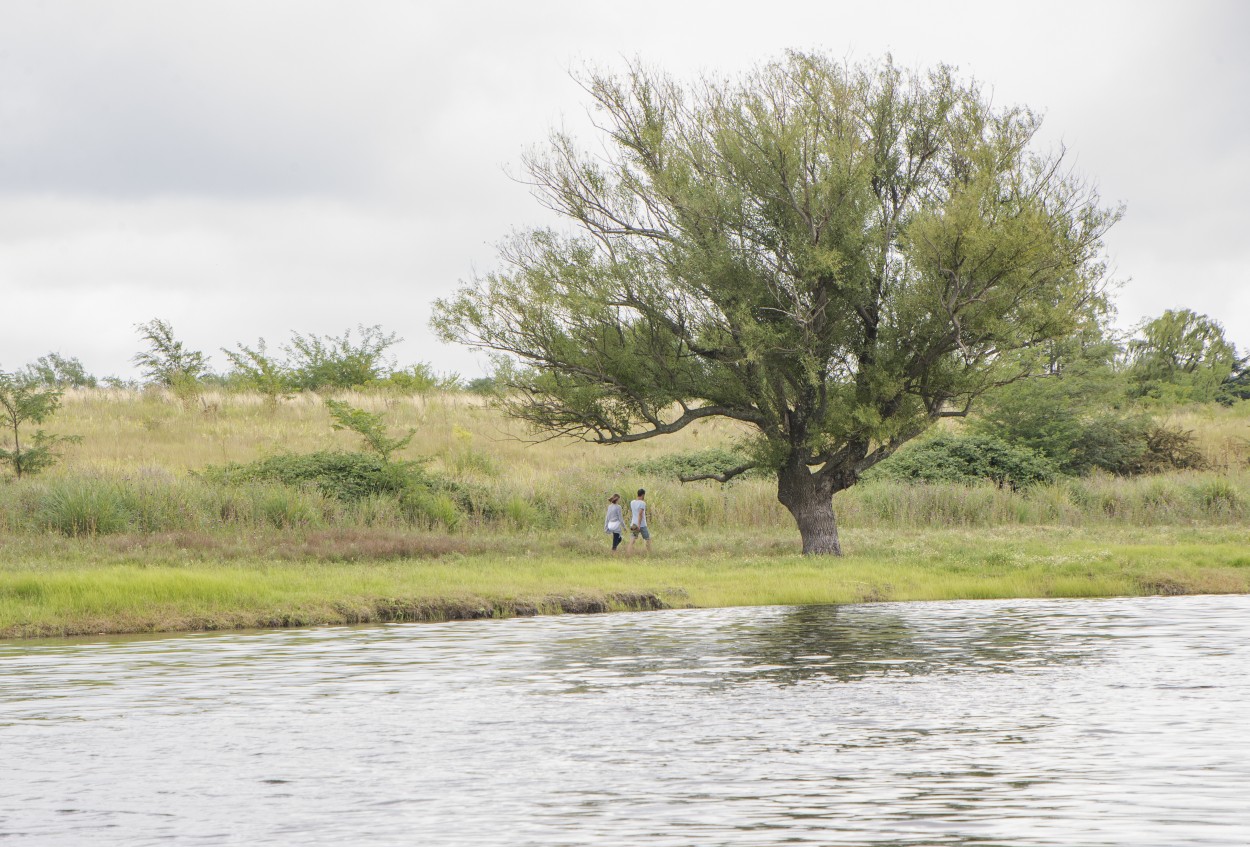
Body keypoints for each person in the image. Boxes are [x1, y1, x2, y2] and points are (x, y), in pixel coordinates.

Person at [627, 488, 651, 555]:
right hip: (641, 525)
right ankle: (650, 553)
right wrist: (639, 525)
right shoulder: (642, 503)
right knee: (647, 539)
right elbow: (640, 514)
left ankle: (628, 553)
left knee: (632, 540)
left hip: (633, 524)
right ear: (643, 495)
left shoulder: (632, 502)